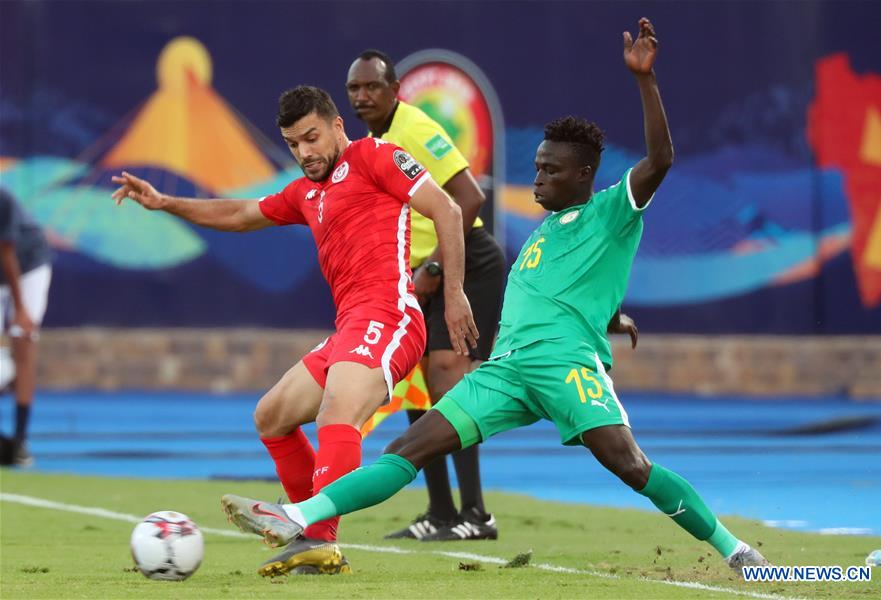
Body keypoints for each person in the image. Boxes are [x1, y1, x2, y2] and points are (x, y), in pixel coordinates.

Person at [221, 19, 769, 577]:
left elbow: (660, 160)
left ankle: (737, 550)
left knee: (630, 465)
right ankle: (302, 518)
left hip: (564, 367)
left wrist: (645, 81)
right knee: (407, 447)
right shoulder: (539, 235)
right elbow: (563, 295)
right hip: (506, 372)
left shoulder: (611, 212)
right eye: (536, 167)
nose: (538, 179)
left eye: (551, 170)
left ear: (584, 174)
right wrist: (608, 315)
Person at [111, 86, 478, 575]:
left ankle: (320, 540)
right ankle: (307, 531)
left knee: (336, 413)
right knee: (271, 417)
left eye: (311, 137)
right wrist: (165, 202)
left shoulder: (376, 156)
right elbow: (241, 215)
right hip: (349, 327)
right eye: (293, 144)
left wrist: (453, 294)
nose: (304, 152)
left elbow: (449, 209)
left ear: (337, 127)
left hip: (389, 315)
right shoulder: (305, 193)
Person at [346, 49, 506, 541]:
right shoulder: (370, 143)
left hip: (465, 262)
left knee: (446, 384)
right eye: (354, 88)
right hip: (418, 274)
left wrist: (436, 265)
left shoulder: (415, 129)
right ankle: (440, 511)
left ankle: (476, 514)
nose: (362, 96)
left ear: (395, 89)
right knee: (415, 386)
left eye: (372, 86)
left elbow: (471, 197)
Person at [0, 188, 53, 468]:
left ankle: (20, 440)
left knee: (23, 341)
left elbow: (7, 254)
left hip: (28, 265)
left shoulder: (3, 200)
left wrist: (20, 310)